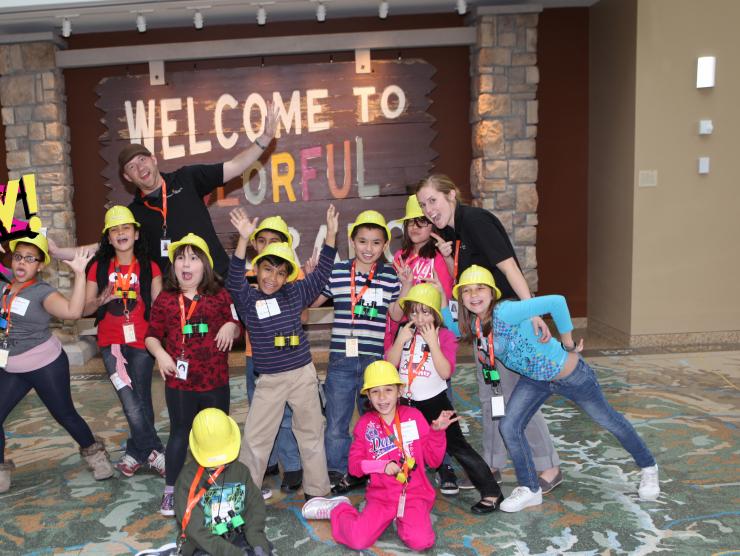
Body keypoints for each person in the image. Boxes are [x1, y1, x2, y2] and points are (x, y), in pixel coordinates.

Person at [454, 265, 660, 511]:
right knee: (509, 425)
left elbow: (557, 302)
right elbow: (442, 316)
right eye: (467, 291)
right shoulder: (476, 324)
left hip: (570, 375)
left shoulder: (506, 311)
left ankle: (649, 467)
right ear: (461, 298)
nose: (474, 295)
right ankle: (530, 488)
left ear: (492, 293)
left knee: (608, 420)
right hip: (535, 380)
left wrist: (568, 342)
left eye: (480, 289)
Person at [416, 174, 563, 492]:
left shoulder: (476, 221)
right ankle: (492, 464)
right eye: (423, 204)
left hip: (507, 322)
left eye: (433, 200)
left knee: (517, 396)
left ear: (452, 195)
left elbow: (510, 268)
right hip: (483, 326)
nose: (429, 209)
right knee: (491, 397)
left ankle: (548, 465)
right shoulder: (453, 234)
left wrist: (532, 311)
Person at [48, 106, 278, 278]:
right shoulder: (133, 215)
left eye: (142, 159)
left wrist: (264, 139)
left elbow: (235, 166)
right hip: (175, 296)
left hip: (217, 280)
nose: (140, 168)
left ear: (154, 160)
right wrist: (59, 253)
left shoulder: (187, 178)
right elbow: (102, 247)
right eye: (131, 167)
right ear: (127, 177)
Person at [225, 205, 338, 501]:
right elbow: (234, 279)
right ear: (257, 267)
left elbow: (322, 273)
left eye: (280, 272)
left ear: (288, 275)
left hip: (302, 376)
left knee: (311, 433)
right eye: (267, 269)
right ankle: (246, 496)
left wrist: (332, 235)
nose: (272, 278)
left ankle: (317, 492)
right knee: (255, 438)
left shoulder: (296, 292)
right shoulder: (248, 299)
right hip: (270, 380)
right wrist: (242, 239)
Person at [301, 361, 455, 552]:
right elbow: (354, 467)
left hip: (414, 495)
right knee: (357, 540)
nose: (382, 398)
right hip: (381, 497)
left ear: (399, 391)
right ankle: (339, 509)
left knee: (421, 541)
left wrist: (437, 433)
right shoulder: (365, 425)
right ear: (368, 396)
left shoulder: (414, 417)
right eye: (375, 392)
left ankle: (403, 520)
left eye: (388, 390)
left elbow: (434, 460)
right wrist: (380, 466)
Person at [0, 233, 113, 493]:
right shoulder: (4, 285)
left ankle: (96, 456)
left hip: (45, 364)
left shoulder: (43, 292)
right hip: (12, 366)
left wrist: (80, 274)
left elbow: (73, 313)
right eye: (18, 257)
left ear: (40, 266)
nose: (22, 263)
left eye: (30, 259)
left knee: (65, 414)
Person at [310, 210, 411, 494]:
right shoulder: (338, 272)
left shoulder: (389, 276)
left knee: (376, 420)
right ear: (352, 241)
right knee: (336, 422)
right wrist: (311, 277)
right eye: (363, 241)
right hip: (341, 361)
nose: (369, 248)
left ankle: (378, 466)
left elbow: (395, 312)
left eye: (376, 243)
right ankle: (338, 471)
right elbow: (314, 302)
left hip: (374, 363)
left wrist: (406, 287)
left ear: (384, 245)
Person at [145, 234, 242, 516]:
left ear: (205, 266)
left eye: (194, 258)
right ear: (174, 264)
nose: (186, 264)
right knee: (179, 434)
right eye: (180, 257)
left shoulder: (219, 295)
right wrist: (160, 354)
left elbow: (236, 323)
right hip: (180, 382)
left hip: (215, 381)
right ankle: (171, 490)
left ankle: (222, 484)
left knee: (219, 433)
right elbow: (151, 336)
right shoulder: (165, 299)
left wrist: (230, 327)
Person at [385, 283, 503, 514]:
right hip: (405, 405)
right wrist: (399, 341)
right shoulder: (404, 333)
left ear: (436, 314)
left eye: (425, 311)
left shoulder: (445, 336)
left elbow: (445, 372)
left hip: (435, 403)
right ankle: (402, 489)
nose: (419, 318)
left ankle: (491, 492)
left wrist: (432, 343)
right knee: (404, 448)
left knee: (458, 446)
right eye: (414, 311)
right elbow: (390, 366)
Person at [385, 194, 461, 493]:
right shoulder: (399, 258)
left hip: (433, 336)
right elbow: (396, 302)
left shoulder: (437, 254)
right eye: (411, 223)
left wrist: (447, 258)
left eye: (423, 222)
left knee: (440, 402)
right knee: (408, 407)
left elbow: (453, 290)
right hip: (406, 336)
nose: (416, 228)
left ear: (432, 224)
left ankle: (446, 464)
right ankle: (412, 461)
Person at [84, 206, 166, 478]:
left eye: (126, 228)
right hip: (111, 343)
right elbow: (85, 307)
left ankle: (135, 453)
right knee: (129, 401)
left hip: (143, 341)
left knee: (141, 399)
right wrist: (101, 301)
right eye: (114, 230)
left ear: (136, 233)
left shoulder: (150, 266)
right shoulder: (98, 266)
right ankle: (155, 452)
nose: (121, 233)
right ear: (108, 238)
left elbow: (158, 306)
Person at [242, 216, 303, 493]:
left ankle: (292, 465)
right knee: (260, 412)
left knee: (287, 414)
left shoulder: (291, 277)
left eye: (274, 242)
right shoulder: (248, 276)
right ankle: (268, 459)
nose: (267, 246)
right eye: (262, 241)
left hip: (286, 357)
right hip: (254, 356)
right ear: (255, 244)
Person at [175, 408, 271, 556]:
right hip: (201, 545)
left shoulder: (241, 471)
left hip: (239, 536)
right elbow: (195, 531)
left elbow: (254, 508)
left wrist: (258, 543)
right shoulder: (188, 480)